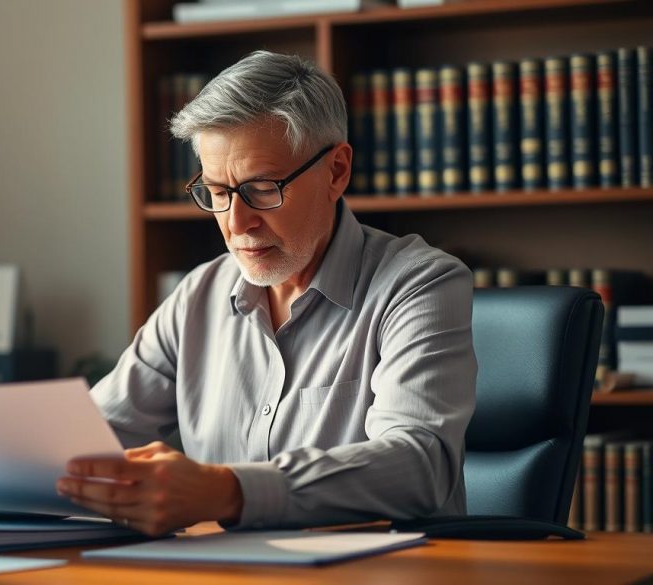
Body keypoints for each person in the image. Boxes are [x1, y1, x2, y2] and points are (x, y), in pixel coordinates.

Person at [56, 51, 477, 536]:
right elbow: (85, 443)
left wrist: (226, 490)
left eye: (261, 189)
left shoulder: (419, 285)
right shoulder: (197, 297)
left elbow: (418, 465)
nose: (236, 223)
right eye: (216, 192)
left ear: (337, 171)